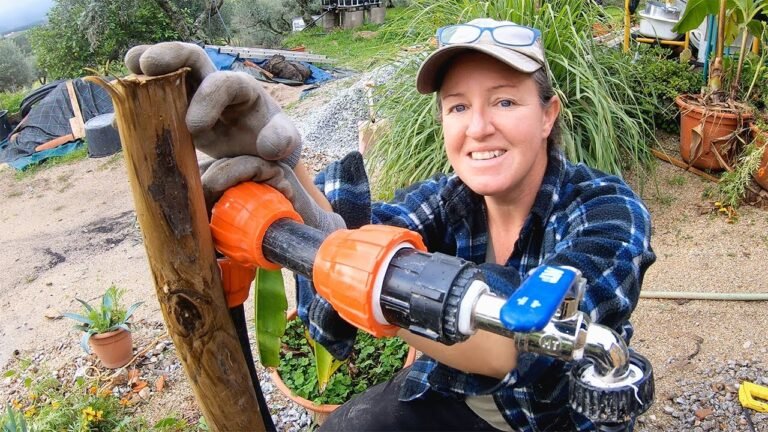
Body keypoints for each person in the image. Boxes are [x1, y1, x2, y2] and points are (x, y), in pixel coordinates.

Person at [126, 17, 655, 431]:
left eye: (505, 100)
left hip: (551, 419)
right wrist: (289, 165)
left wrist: (353, 273)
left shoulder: (609, 214)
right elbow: (348, 248)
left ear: (547, 114)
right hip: (452, 392)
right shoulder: (448, 200)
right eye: (456, 107)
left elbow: (512, 349)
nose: (478, 126)